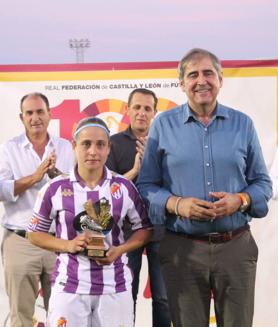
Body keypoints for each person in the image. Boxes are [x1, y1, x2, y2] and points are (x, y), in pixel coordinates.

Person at [137, 48, 272, 327]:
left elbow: (263, 183)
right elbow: (146, 185)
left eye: (209, 73)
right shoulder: (163, 124)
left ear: (221, 79)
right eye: (193, 74)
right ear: (182, 83)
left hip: (235, 246)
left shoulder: (242, 124)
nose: (202, 80)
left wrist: (242, 199)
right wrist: (177, 204)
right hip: (182, 250)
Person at [27, 116, 152, 327]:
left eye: (100, 144)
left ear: (108, 148)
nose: (93, 151)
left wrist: (119, 250)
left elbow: (145, 230)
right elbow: (34, 233)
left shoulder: (124, 187)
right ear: (75, 146)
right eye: (86, 144)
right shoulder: (55, 188)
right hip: (69, 287)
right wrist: (67, 245)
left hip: (115, 286)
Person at [0, 92, 74, 327]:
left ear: (50, 115)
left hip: (60, 242)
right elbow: (1, 191)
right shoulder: (8, 149)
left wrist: (57, 177)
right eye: (29, 113)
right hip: (21, 241)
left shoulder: (66, 147)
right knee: (21, 317)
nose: (35, 118)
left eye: (40, 111)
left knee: (63, 315)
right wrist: (35, 176)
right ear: (21, 117)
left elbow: (80, 189)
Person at [106, 88, 171, 327]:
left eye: (147, 108)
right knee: (126, 296)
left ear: (155, 112)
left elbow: (174, 184)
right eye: (137, 107)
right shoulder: (112, 144)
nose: (142, 113)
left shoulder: (165, 143)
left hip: (161, 229)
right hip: (126, 233)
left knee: (163, 298)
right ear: (127, 109)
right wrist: (134, 170)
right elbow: (107, 190)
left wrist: (155, 164)